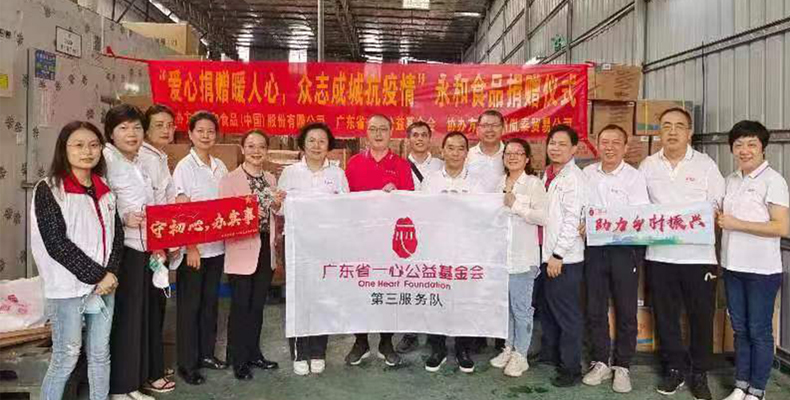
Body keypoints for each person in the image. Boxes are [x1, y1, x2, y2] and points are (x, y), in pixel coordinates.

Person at [639, 108, 725, 400]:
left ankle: (699, 373)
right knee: (666, 317)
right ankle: (674, 369)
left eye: (679, 126)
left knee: (701, 317)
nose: (672, 131)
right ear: (659, 132)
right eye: (666, 126)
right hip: (659, 256)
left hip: (698, 258)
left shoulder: (705, 165)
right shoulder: (648, 166)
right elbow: (637, 208)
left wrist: (695, 219)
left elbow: (717, 204)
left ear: (689, 132)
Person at [33, 121, 122, 400]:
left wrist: (109, 274)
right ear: (64, 149)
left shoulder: (104, 188)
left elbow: (116, 235)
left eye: (94, 145)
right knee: (66, 357)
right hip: (67, 288)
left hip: (104, 286)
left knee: (100, 354)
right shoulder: (50, 189)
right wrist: (98, 275)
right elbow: (56, 243)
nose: (87, 152)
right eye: (79, 145)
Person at [717, 121, 789, 400]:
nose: (744, 150)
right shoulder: (731, 179)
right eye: (738, 145)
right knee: (740, 329)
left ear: (762, 148)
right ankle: (741, 385)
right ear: (732, 149)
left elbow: (782, 227)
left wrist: (736, 223)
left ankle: (757, 390)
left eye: (751, 144)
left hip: (761, 270)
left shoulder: (773, 181)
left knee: (758, 330)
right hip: (732, 267)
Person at [581, 125, 650, 393]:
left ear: (625, 147)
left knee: (625, 309)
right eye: (604, 142)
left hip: (624, 250)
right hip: (594, 249)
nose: (609, 148)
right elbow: (580, 209)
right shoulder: (587, 174)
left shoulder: (634, 177)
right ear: (597, 145)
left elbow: (640, 216)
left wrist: (605, 224)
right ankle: (600, 361)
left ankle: (623, 365)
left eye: (615, 143)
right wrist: (583, 223)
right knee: (595, 307)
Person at [278, 122, 349, 375]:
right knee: (298, 297)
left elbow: (346, 209)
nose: (317, 145)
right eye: (311, 140)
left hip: (326, 245)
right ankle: (300, 352)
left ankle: (318, 351)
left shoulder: (337, 175)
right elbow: (280, 208)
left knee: (322, 297)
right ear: (303, 145)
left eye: (322, 141)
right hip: (296, 243)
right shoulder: (290, 173)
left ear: (328, 146)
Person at [343, 114, 414, 367]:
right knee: (358, 289)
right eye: (373, 129)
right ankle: (360, 341)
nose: (378, 134)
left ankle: (386, 341)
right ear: (366, 133)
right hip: (359, 238)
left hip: (390, 241)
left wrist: (397, 195)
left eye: (383, 129)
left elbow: (411, 203)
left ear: (391, 133)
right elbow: (343, 201)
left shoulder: (402, 165)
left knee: (388, 289)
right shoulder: (353, 164)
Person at [103, 104, 158, 400]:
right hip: (123, 249)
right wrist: (124, 218)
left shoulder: (137, 161)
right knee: (125, 319)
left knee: (139, 317)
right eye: (123, 128)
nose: (132, 133)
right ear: (111, 133)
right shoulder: (106, 160)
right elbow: (102, 204)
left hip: (144, 246)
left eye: (137, 127)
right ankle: (121, 387)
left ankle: (134, 382)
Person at [172, 111, 230, 385]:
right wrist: (191, 246)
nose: (206, 136)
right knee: (190, 307)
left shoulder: (220, 166)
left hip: (217, 249)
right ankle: (187, 363)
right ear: (190, 134)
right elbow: (182, 209)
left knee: (210, 305)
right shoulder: (185, 167)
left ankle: (206, 354)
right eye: (200, 131)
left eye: (211, 131)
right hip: (193, 252)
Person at [219, 130, 282, 380]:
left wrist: (276, 204)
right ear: (243, 149)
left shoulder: (270, 178)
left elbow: (275, 212)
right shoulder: (230, 180)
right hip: (241, 248)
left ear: (266, 150)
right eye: (251, 146)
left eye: (261, 147)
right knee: (240, 306)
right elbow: (226, 217)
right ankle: (238, 359)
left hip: (265, 247)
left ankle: (254, 353)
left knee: (257, 306)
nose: (257, 151)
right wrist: (256, 210)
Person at [420, 132, 482, 374]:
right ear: (442, 151)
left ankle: (463, 349)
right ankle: (438, 349)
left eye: (460, 148)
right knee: (437, 300)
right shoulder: (431, 181)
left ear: (466, 153)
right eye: (451, 148)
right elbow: (422, 215)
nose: (455, 153)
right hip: (437, 250)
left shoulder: (476, 184)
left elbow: (483, 217)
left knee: (464, 301)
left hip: (467, 251)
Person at [489, 138, 547, 378]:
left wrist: (516, 206)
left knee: (521, 309)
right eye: (508, 153)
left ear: (527, 158)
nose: (512, 157)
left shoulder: (534, 184)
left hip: (523, 258)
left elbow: (542, 217)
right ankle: (509, 348)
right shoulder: (498, 183)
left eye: (518, 153)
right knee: (507, 308)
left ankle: (521, 355)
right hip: (501, 257)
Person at [539, 124, 586, 387]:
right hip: (548, 255)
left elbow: (572, 220)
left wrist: (558, 255)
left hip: (564, 259)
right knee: (550, 309)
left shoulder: (573, 178)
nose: (555, 148)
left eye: (562, 144)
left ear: (574, 149)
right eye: (552, 143)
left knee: (567, 315)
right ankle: (552, 355)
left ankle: (571, 368)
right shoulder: (549, 174)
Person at [138, 104, 177, 394]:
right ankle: (150, 372)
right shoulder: (143, 158)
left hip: (159, 243)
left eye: (169, 125)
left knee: (157, 306)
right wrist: (159, 246)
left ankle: (154, 365)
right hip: (148, 244)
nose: (165, 130)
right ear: (146, 129)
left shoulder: (159, 157)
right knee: (150, 310)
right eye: (159, 125)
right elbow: (150, 207)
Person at [467, 110, 506, 194]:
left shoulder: (511, 155)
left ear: (503, 129)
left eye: (495, 125)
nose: (489, 130)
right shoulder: (467, 155)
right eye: (485, 125)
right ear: (477, 130)